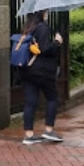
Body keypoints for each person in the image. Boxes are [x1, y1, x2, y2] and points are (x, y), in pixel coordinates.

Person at [20, 10, 64, 145]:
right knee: (52, 98)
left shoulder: (27, 28)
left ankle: (28, 135)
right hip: (43, 71)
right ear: (41, 13)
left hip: (27, 70)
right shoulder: (43, 27)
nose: (48, 13)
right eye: (46, 11)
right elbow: (44, 49)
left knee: (30, 102)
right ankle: (49, 130)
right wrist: (57, 42)